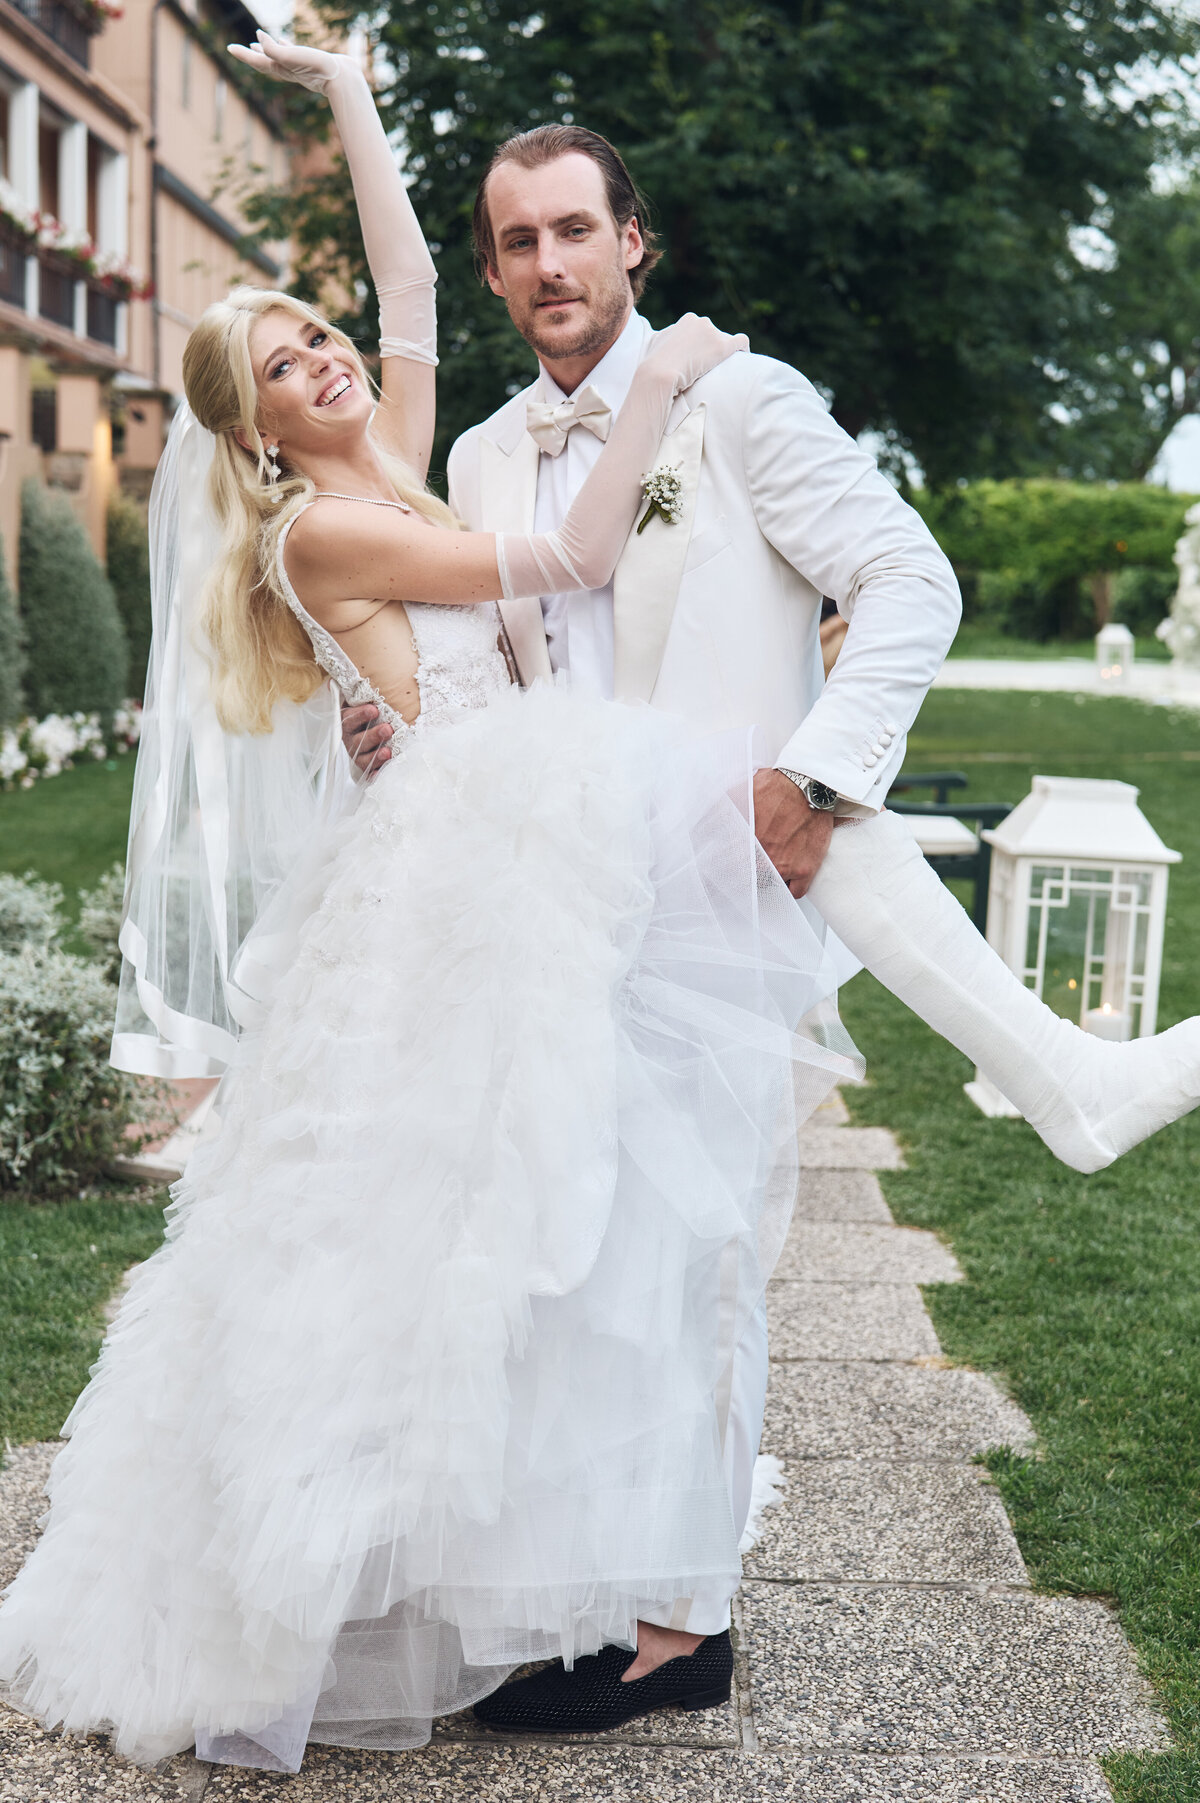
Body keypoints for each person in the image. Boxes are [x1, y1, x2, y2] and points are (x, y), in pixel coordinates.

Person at [0, 36, 862, 1772]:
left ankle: (544, 1548)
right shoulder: (319, 531)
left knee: (548, 1205)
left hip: (502, 817)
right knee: (431, 1233)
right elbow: (573, 559)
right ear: (250, 432)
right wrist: (662, 376)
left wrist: (348, 98)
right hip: (463, 857)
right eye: (283, 361)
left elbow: (403, 271)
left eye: (313, 337)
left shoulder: (394, 447)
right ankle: (354, 1568)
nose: (325, 355)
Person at [339, 95, 1200, 1736]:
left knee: (712, 1256)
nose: (546, 264)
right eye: (517, 241)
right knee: (590, 1264)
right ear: (497, 268)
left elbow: (909, 578)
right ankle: (601, 1587)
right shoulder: (478, 457)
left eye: (574, 229)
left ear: (633, 239)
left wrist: (819, 778)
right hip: (566, 903)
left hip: (731, 887)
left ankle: (685, 1625)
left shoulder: (740, 402)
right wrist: (388, 736)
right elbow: (493, 672)